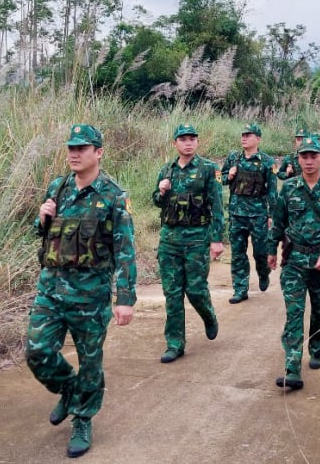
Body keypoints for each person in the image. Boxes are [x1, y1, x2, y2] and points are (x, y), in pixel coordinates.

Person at [26, 124, 137, 458]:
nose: (74, 154)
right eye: (71, 148)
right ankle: (70, 389)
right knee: (37, 352)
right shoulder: (58, 187)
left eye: (82, 148)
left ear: (98, 152)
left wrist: (125, 299)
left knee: (90, 361)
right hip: (51, 290)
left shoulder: (114, 196)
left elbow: (126, 250)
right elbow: (44, 234)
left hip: (90, 296)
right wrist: (41, 218)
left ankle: (83, 419)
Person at [267, 135, 320, 391]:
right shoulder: (289, 188)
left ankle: (318, 348)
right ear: (298, 159)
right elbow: (278, 222)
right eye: (304, 156)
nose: (309, 161)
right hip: (295, 261)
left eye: (314, 156)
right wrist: (271, 250)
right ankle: (292, 369)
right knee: (294, 312)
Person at [151, 123, 224, 363]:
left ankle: (208, 315)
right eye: (183, 139)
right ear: (175, 143)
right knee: (172, 295)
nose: (188, 142)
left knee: (195, 290)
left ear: (197, 142)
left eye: (192, 138)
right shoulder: (167, 170)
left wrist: (216, 239)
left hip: (196, 239)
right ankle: (174, 343)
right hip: (169, 240)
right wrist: (161, 192)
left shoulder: (208, 169)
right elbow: (156, 202)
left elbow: (217, 206)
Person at [220, 122, 278, 304]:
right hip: (237, 214)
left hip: (258, 214)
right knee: (238, 253)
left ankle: (263, 271)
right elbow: (219, 179)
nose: (244, 138)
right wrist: (228, 176)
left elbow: (272, 191)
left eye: (249, 135)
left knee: (260, 252)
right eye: (243, 135)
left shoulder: (267, 162)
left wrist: (271, 215)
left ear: (258, 139)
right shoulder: (233, 158)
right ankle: (240, 288)